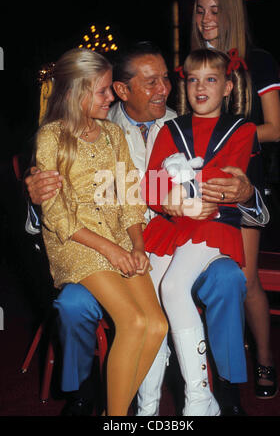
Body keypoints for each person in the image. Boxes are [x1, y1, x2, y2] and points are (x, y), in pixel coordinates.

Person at [25, 42, 267, 416]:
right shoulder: (89, 129)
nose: (165, 90)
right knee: (73, 303)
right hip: (106, 245)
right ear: (122, 90)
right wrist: (36, 194)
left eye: (167, 80)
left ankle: (225, 388)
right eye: (151, 82)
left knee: (228, 279)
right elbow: (54, 212)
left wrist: (247, 192)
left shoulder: (183, 124)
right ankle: (83, 392)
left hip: (180, 240)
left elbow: (255, 207)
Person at [34, 47, 168, 416]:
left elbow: (128, 196)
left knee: (156, 325)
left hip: (120, 239)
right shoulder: (51, 137)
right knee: (135, 321)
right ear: (76, 93)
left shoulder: (111, 134)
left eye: (110, 89)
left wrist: (137, 244)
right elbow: (59, 217)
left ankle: (112, 413)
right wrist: (112, 250)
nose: (111, 97)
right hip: (77, 245)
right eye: (103, 91)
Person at [140, 47, 256, 416]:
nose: (200, 87)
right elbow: (149, 185)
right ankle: (148, 407)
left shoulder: (242, 129)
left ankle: (200, 398)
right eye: (192, 80)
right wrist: (170, 195)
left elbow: (224, 183)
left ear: (227, 86)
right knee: (150, 305)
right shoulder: (171, 128)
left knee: (174, 288)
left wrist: (174, 187)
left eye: (211, 79)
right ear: (183, 86)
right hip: (169, 227)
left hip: (213, 227)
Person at [191, 0, 280, 399]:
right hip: (198, 182)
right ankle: (206, 370)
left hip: (244, 181)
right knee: (203, 273)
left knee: (246, 279)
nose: (207, 18)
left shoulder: (257, 60)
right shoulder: (190, 62)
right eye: (200, 9)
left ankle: (264, 359)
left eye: (216, 9)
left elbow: (276, 129)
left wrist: (228, 137)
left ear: (232, 13)